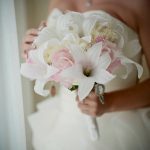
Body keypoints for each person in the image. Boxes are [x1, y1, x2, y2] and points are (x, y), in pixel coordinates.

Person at [22, 0, 150, 149]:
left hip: (118, 130)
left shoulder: (139, 4)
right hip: (63, 126)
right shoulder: (55, 2)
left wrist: (109, 102)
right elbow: (53, 84)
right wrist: (35, 53)